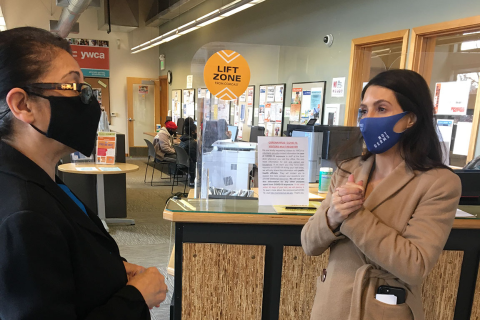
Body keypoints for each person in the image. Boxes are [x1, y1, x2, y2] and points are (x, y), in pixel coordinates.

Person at [0, 27, 167, 319]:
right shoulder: (24, 214)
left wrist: (110, 271)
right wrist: (136, 298)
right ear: (23, 105)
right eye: (75, 87)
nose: (88, 99)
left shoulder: (39, 177)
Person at [301, 69, 461, 320]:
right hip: (330, 306)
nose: (368, 119)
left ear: (410, 119)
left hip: (383, 311)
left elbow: (414, 266)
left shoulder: (439, 183)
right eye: (364, 110)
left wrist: (352, 217)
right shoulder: (348, 170)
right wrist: (332, 216)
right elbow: (309, 244)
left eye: (382, 109)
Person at [179, 117, 197, 186]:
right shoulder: (192, 142)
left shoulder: (183, 140)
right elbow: (195, 158)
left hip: (181, 163)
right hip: (189, 166)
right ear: (192, 132)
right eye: (196, 131)